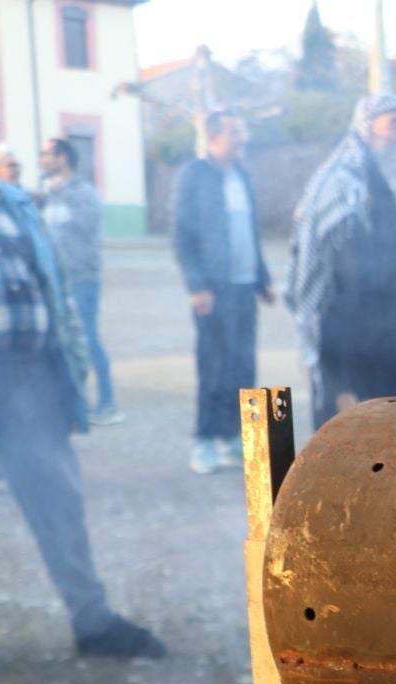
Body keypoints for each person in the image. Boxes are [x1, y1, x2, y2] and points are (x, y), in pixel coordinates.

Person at [0, 91, 165, 672]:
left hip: (30, 381)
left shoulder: (17, 203)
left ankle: (93, 623)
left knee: (60, 504)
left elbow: (56, 291)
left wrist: (72, 363)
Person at [287, 94, 396, 428]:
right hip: (356, 359)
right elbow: (355, 276)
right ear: (366, 131)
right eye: (394, 125)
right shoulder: (343, 186)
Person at [171, 109, 274, 475]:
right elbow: (182, 235)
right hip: (212, 289)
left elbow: (251, 233)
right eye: (235, 133)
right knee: (213, 365)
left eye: (242, 132)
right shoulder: (194, 177)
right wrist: (196, 286)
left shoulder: (242, 176)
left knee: (243, 364)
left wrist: (263, 279)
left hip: (244, 288)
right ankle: (204, 441)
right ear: (214, 137)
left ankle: (235, 439)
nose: (242, 139)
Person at [36, 137, 121, 425]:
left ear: (62, 159)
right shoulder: (50, 194)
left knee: (88, 340)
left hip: (82, 279)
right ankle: (75, 403)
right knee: (63, 342)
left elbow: (88, 224)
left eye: (46, 154)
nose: (41, 160)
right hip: (56, 280)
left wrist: (64, 193)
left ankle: (108, 404)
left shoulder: (83, 192)